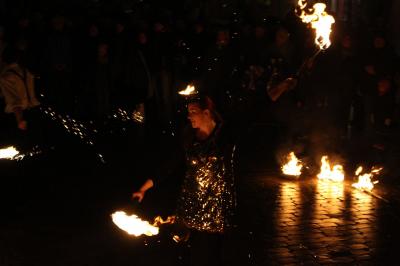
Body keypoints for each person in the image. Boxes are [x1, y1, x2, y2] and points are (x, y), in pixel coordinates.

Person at [132, 94, 236, 266]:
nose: (189, 116)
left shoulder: (224, 136)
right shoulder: (189, 138)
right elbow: (169, 165)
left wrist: (281, 87)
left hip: (216, 212)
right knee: (189, 254)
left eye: (193, 111)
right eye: (188, 112)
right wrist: (144, 188)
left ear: (207, 113)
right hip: (190, 209)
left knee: (211, 256)